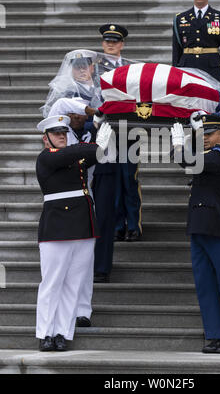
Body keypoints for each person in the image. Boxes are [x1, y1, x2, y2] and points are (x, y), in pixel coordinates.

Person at [35, 115, 112, 351]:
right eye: (56, 133)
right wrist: (95, 144)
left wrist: (104, 140)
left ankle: (62, 332)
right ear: (45, 138)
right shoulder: (47, 157)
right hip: (57, 227)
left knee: (73, 283)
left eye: (64, 132)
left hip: (82, 226)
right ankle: (45, 332)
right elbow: (81, 153)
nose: (61, 136)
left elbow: (100, 157)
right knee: (53, 282)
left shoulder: (74, 157)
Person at [171, 115, 220, 354]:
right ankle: (214, 334)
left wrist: (179, 145)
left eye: (209, 134)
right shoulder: (209, 155)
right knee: (206, 285)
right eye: (203, 133)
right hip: (200, 226)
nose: (204, 137)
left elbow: (189, 161)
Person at [97, 23, 142, 243]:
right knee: (111, 178)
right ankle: (116, 224)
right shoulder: (94, 67)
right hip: (107, 129)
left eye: (115, 41)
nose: (111, 45)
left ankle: (134, 224)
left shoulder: (132, 68)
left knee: (129, 177)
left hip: (129, 127)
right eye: (107, 41)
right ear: (102, 43)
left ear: (122, 44)